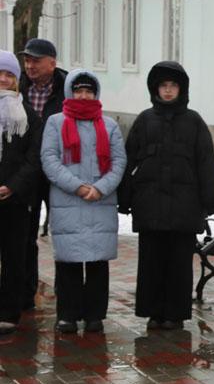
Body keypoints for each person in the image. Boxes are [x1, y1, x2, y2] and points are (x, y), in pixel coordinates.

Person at [119, 61, 214, 330]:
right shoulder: (144, 120)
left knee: (178, 264)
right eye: (163, 86)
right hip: (150, 206)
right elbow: (128, 159)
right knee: (151, 262)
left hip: (184, 208)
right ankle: (153, 312)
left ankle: (175, 314)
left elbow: (206, 162)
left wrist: (211, 200)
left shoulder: (194, 122)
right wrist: (125, 197)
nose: (167, 91)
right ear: (155, 89)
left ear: (181, 89)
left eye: (173, 85)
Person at [40, 70, 126, 333]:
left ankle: (94, 316)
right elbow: (50, 159)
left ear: (96, 93)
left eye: (89, 91)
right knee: (69, 262)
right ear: (70, 92)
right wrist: (77, 187)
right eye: (79, 90)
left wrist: (100, 188)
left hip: (100, 201)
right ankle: (67, 314)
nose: (84, 95)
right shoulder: (56, 122)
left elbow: (119, 161)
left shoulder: (109, 125)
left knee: (98, 263)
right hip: (69, 201)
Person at [18, 38, 66, 310]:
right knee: (25, 234)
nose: (30, 65)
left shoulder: (68, 89)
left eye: (36, 60)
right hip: (28, 171)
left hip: (58, 172)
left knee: (63, 233)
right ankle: (25, 294)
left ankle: (66, 293)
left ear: (52, 62)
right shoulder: (19, 89)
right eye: (27, 60)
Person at [0, 50, 42, 334]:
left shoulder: (28, 114)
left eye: (10, 75)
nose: (4, 79)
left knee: (14, 257)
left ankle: (8, 312)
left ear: (17, 79)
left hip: (14, 198)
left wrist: (13, 186)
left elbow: (34, 157)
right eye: (0, 74)